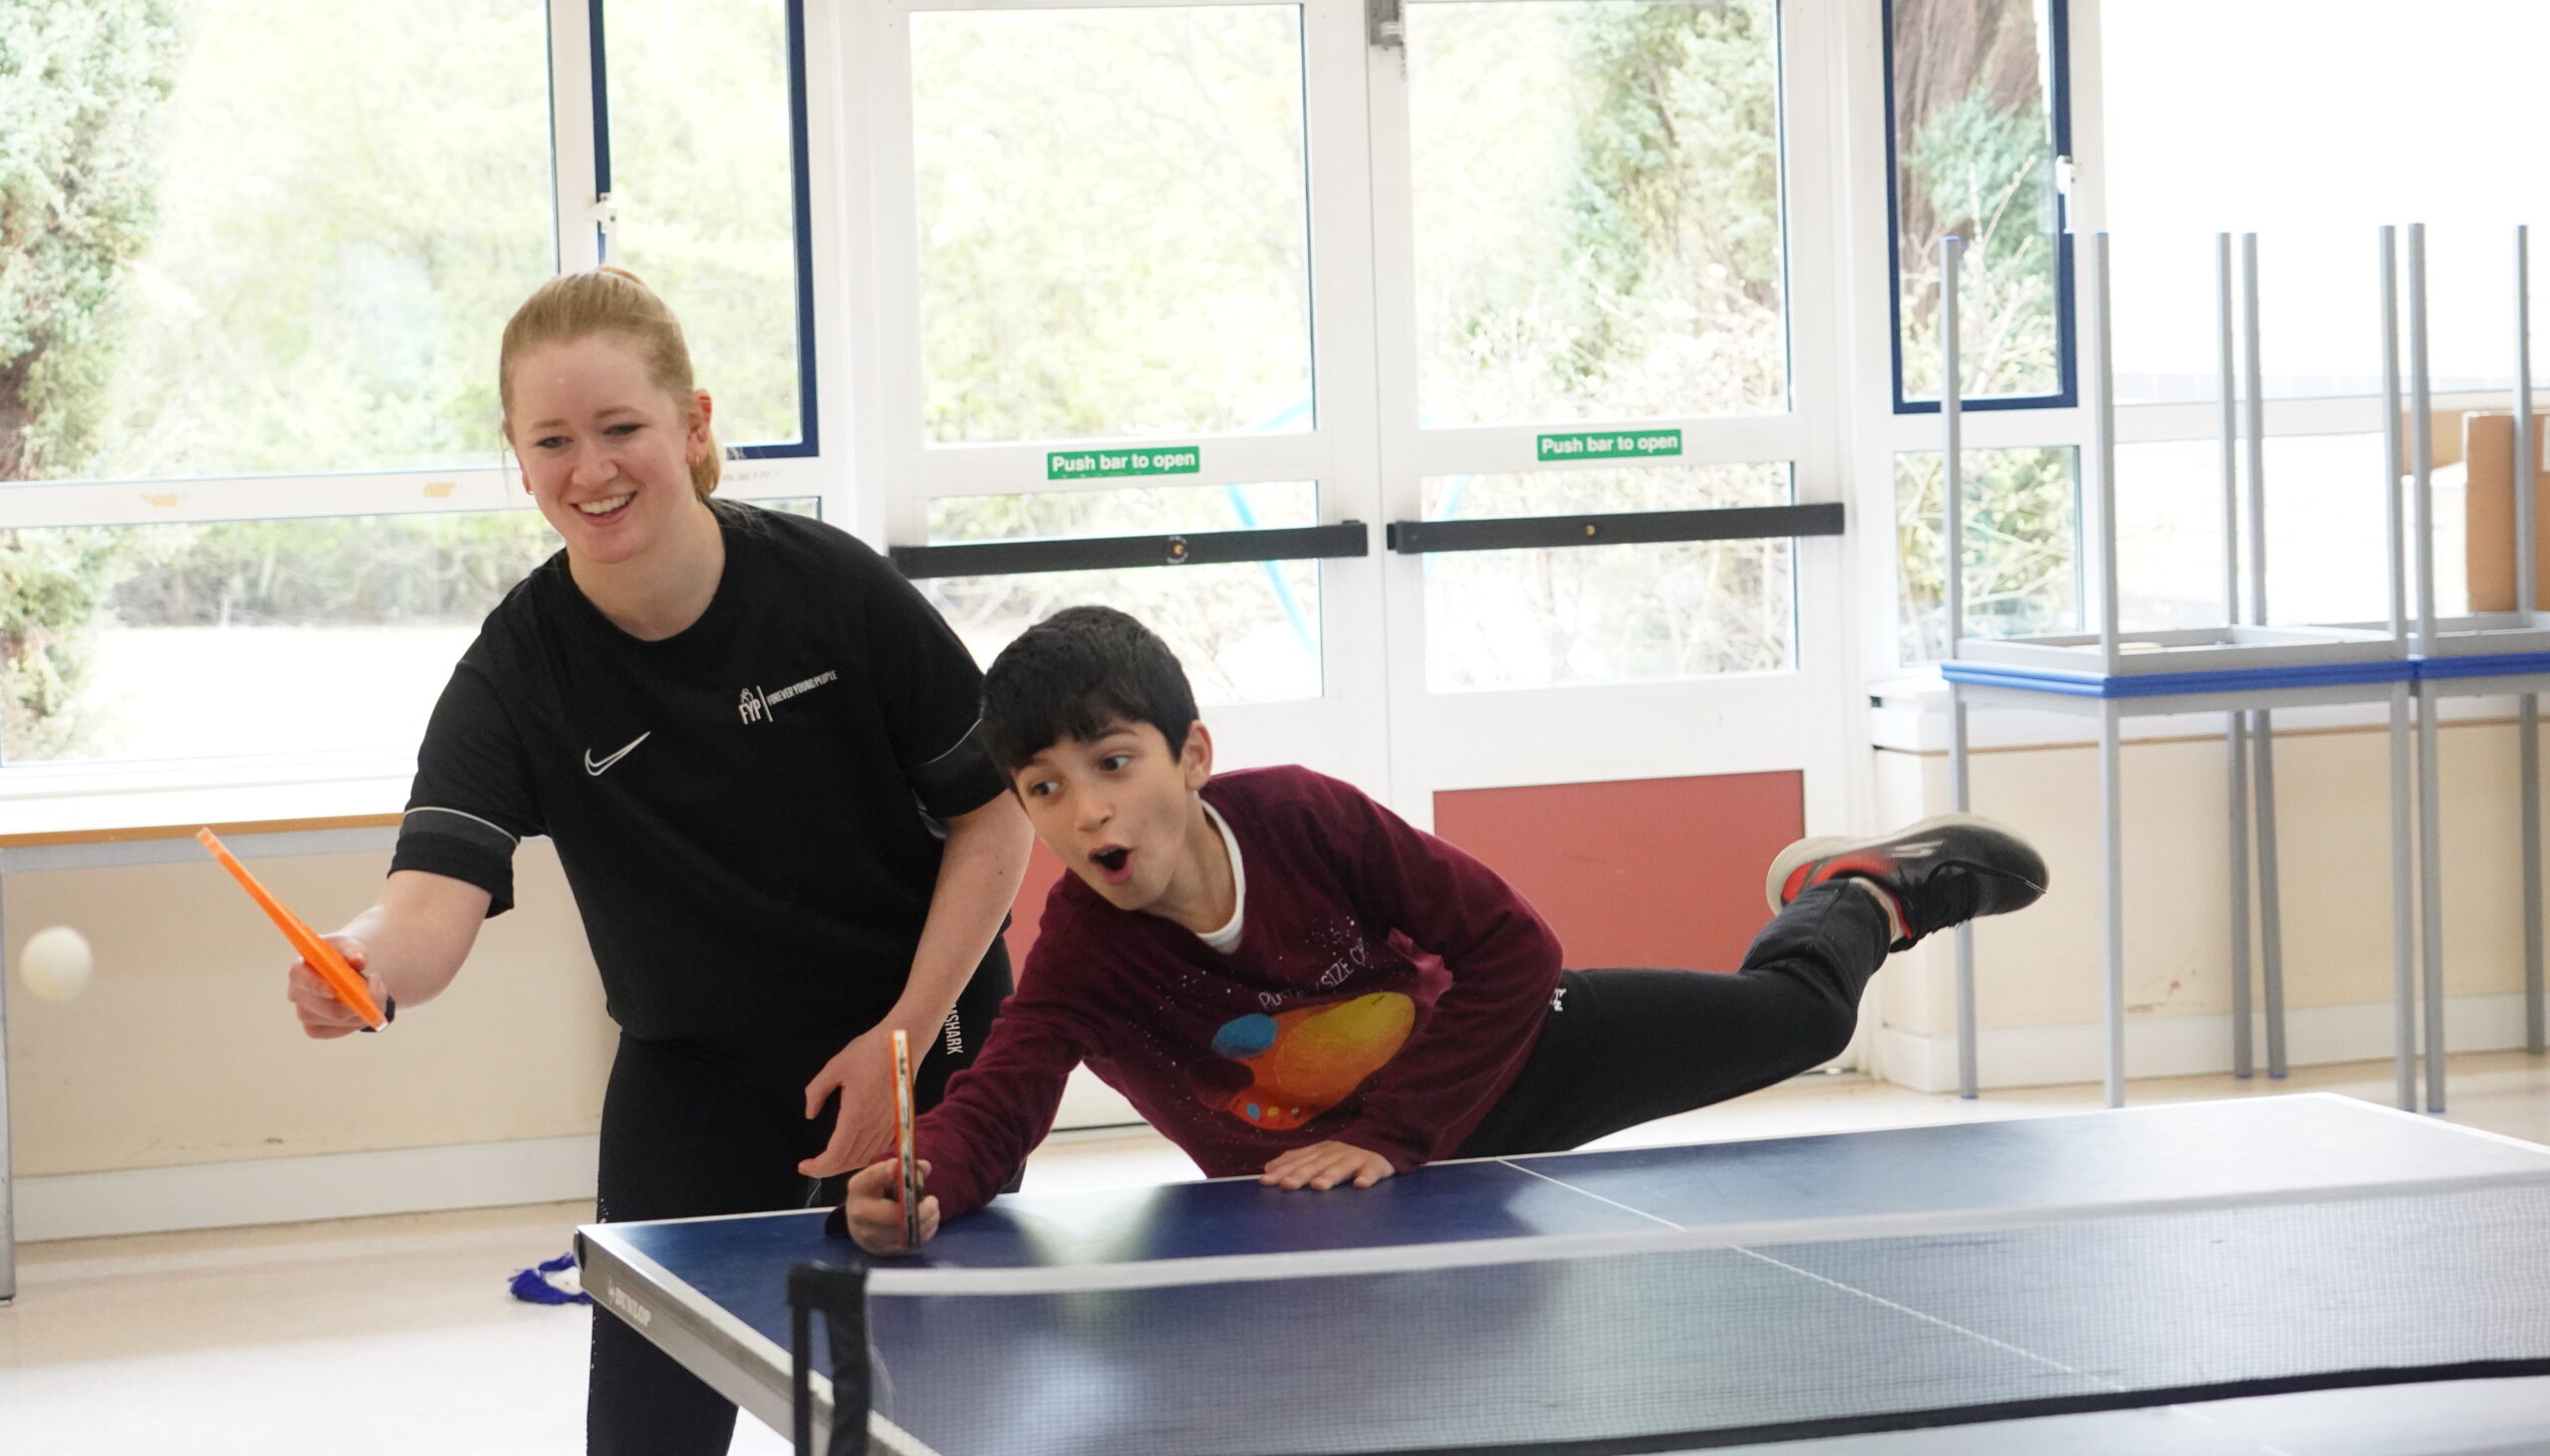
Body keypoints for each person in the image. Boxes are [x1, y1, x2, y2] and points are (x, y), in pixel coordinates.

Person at [284, 268, 1032, 1455]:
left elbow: (994, 822)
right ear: (519, 461)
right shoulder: (518, 671)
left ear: (692, 426)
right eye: (554, 440)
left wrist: (900, 1039)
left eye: (621, 427)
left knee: (908, 1413)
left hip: (916, 1039)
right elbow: (428, 901)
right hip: (694, 1070)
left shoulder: (834, 593)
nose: (592, 469)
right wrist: (361, 964)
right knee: (643, 1429)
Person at [836, 604, 2045, 1250]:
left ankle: (1863, 894)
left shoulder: (1307, 820)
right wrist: (923, 1178)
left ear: (1191, 757)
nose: (1086, 807)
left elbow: (1514, 950)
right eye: (1043, 787)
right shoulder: (1082, 959)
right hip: (1337, 1219)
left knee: (1800, 1018)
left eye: (1111, 762)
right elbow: (1000, 1105)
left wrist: (1398, 1129)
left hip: (1510, 1059)